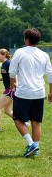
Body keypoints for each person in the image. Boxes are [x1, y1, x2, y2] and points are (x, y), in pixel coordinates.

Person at [9, 28, 52, 158]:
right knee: (36, 121)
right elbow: (50, 74)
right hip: (39, 92)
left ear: (26, 40)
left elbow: (12, 72)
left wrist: (12, 86)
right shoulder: (44, 55)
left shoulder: (20, 52)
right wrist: (51, 92)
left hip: (24, 92)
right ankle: (36, 149)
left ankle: (31, 144)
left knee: (17, 118)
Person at [0, 49, 29, 133]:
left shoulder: (9, 63)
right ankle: (25, 123)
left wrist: (15, 84)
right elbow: (7, 76)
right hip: (9, 89)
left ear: (4, 55)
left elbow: (14, 74)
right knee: (7, 111)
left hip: (10, 89)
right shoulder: (3, 64)